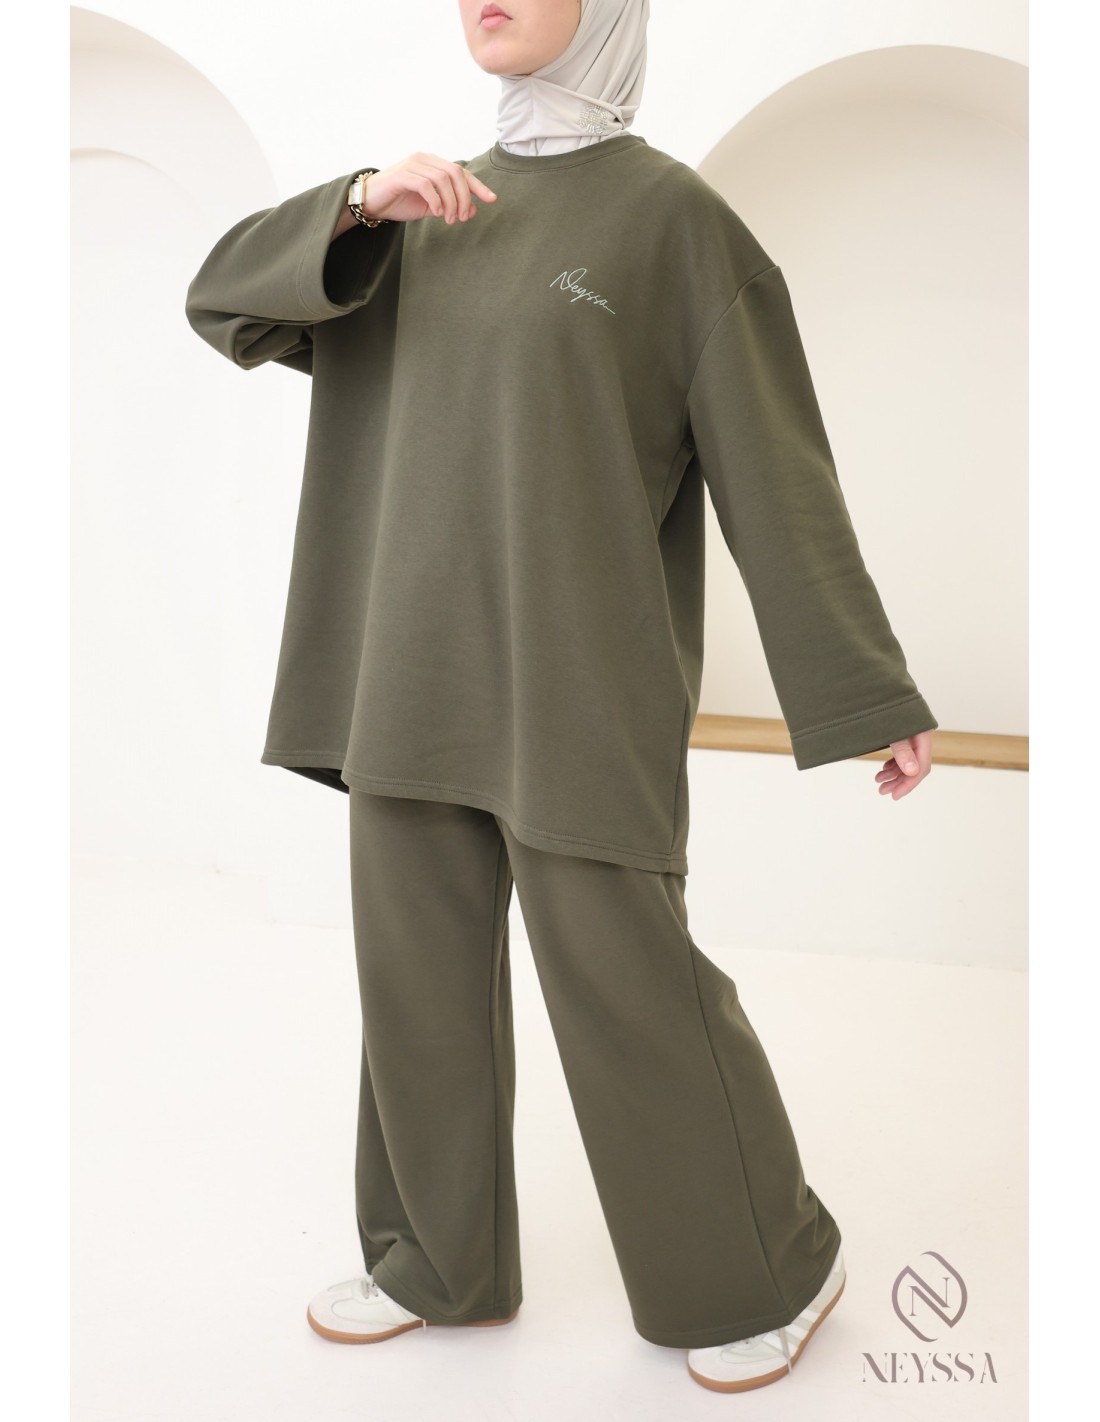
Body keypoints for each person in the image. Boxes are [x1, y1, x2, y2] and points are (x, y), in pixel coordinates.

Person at [184, 0, 936, 1396]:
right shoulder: (412, 213)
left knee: (629, 986)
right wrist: (358, 200)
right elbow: (222, 300)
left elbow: (776, 473)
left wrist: (861, 684)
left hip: (578, 684)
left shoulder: (673, 224)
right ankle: (436, 1262)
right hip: (404, 677)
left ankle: (772, 1266)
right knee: (415, 986)